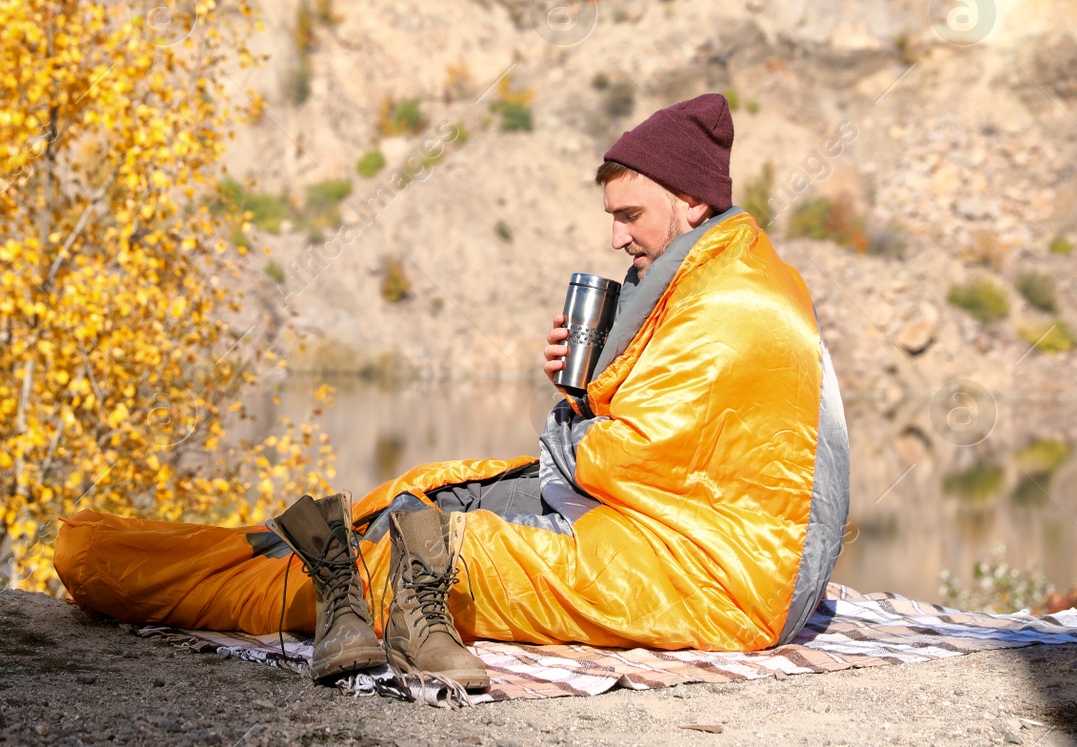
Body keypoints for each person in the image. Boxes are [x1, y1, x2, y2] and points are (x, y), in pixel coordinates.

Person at [56, 93, 849, 689]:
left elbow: (632, 459)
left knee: (424, 561)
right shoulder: (710, 272)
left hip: (723, 580)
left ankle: (116, 564)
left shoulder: (734, 299)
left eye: (630, 214)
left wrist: (578, 407)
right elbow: (655, 448)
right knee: (426, 497)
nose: (616, 238)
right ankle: (209, 551)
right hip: (664, 533)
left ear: (692, 200)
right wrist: (579, 388)